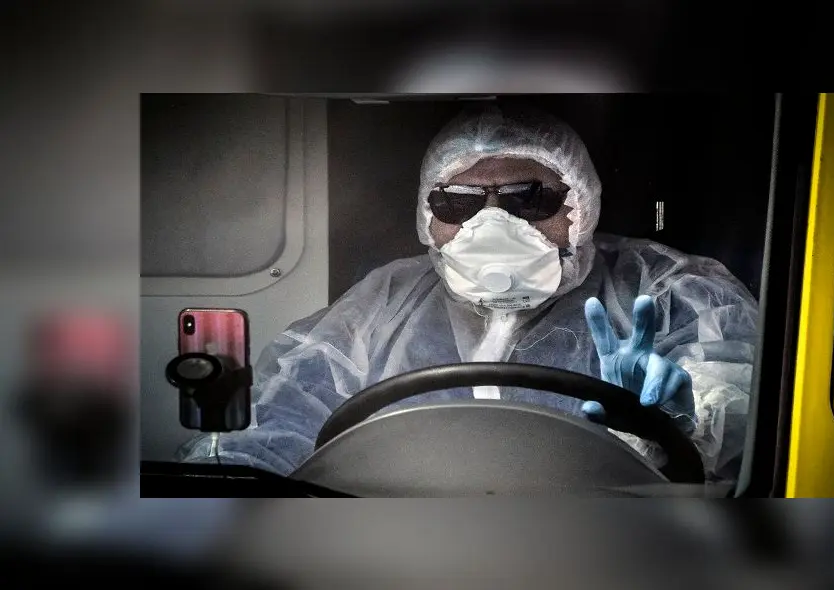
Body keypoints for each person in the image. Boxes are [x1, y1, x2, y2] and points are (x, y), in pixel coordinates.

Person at [180, 105, 758, 481]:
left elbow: (739, 409)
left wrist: (674, 424)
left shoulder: (665, 288)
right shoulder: (388, 299)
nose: (493, 223)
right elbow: (279, 418)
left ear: (581, 206)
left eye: (529, 198)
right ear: (428, 218)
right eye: (457, 201)